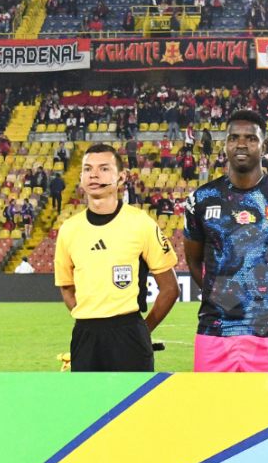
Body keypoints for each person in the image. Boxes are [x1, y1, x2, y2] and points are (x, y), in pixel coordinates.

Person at [183, 111, 268, 373]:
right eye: (233, 138)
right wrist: (217, 296)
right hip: (214, 331)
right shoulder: (201, 199)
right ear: (225, 145)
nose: (241, 144)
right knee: (210, 401)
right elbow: (193, 260)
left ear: (264, 147)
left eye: (250, 138)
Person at [54, 144, 180, 373]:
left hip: (129, 333)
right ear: (81, 177)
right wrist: (91, 318)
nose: (94, 175)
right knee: (88, 398)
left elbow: (170, 288)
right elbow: (67, 288)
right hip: (84, 335)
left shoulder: (141, 223)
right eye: (88, 169)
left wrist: (142, 330)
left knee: (135, 398)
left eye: (103, 168)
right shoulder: (69, 230)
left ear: (121, 178)